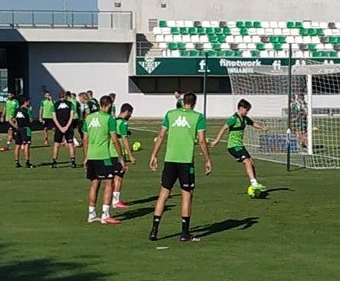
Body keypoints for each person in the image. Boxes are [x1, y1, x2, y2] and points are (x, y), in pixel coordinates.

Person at [148, 92, 211, 242]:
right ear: (194, 103)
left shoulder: (170, 114)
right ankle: (184, 233)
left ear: (183, 102)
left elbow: (161, 135)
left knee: (163, 194)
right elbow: (202, 140)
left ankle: (154, 230)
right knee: (187, 195)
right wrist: (208, 159)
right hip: (186, 162)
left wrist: (154, 155)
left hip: (170, 160)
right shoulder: (198, 117)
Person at [210, 99, 267, 193]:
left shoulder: (244, 118)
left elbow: (252, 123)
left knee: (252, 163)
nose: (247, 112)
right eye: (246, 110)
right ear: (241, 108)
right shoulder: (233, 119)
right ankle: (254, 184)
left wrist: (262, 128)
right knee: (247, 161)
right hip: (233, 146)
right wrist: (217, 140)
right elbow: (223, 128)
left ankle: (255, 183)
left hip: (240, 145)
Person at [82, 95, 122, 225]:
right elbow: (115, 139)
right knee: (109, 183)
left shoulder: (88, 118)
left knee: (94, 183)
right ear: (109, 105)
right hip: (104, 156)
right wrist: (121, 157)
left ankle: (91, 214)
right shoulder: (109, 119)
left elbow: (85, 139)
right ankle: (105, 215)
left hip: (92, 156)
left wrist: (86, 156)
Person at [112, 102, 135, 209]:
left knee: (112, 178)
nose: (130, 116)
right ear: (127, 112)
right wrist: (130, 155)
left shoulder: (113, 121)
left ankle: (112, 199)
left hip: (109, 152)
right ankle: (116, 200)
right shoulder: (123, 123)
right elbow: (124, 140)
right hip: (118, 153)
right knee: (119, 177)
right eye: (130, 113)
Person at [51, 90, 77, 168]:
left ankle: (54, 161)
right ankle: (73, 162)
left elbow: (54, 118)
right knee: (70, 144)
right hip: (68, 127)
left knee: (56, 144)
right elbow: (71, 116)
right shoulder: (70, 104)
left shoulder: (54, 105)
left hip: (59, 127)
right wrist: (66, 127)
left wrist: (60, 127)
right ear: (65, 96)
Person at [13, 97, 33, 168]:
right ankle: (27, 162)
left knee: (17, 145)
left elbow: (12, 119)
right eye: (28, 101)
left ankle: (17, 162)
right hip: (26, 129)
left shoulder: (17, 110)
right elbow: (31, 120)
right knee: (27, 145)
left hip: (18, 129)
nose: (29, 103)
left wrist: (15, 126)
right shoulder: (27, 110)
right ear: (26, 102)